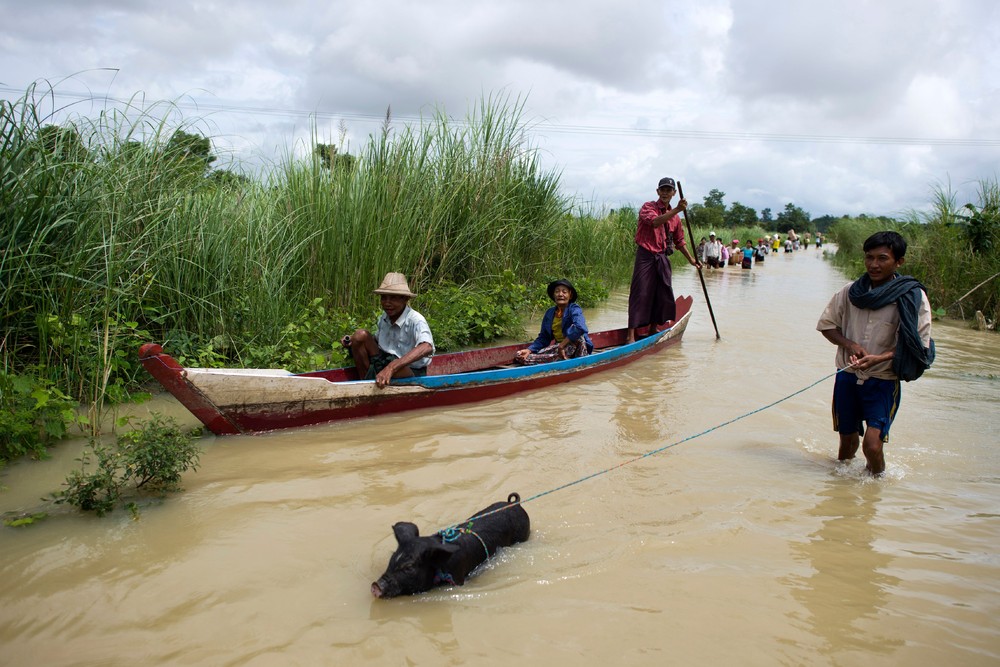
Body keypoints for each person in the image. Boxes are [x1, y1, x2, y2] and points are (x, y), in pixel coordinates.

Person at [816, 231, 935, 476]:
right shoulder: (850, 292)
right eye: (869, 258)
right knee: (846, 443)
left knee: (872, 445)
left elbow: (919, 345)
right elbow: (827, 326)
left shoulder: (913, 298)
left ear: (899, 262)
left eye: (882, 258)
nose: (874, 265)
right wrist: (849, 344)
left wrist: (879, 358)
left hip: (883, 380)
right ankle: (842, 491)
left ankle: (876, 486)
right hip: (847, 377)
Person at [626, 177, 701, 343]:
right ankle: (630, 336)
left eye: (669, 190)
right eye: (663, 190)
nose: (666, 193)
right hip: (645, 255)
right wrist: (676, 210)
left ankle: (653, 329)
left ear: (674, 193)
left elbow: (680, 241)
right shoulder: (649, 207)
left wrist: (692, 260)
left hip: (662, 257)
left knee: (661, 294)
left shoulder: (676, 219)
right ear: (658, 191)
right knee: (640, 293)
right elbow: (654, 222)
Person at [342, 272, 435, 388]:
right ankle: (365, 383)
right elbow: (377, 341)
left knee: (396, 369)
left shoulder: (415, 320)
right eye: (384, 298)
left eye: (393, 298)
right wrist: (352, 340)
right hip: (385, 361)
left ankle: (378, 381)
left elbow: (427, 347)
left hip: (409, 370)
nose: (387, 303)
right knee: (360, 336)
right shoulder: (384, 318)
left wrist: (392, 367)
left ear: (404, 299)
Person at [515, 279, 593, 364]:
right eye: (557, 292)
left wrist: (562, 345)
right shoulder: (550, 313)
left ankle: (571, 360)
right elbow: (544, 337)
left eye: (564, 292)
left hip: (576, 347)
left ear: (570, 295)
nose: (560, 294)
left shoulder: (574, 309)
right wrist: (529, 350)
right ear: (553, 295)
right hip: (559, 347)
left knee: (578, 336)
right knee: (521, 357)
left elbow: (580, 327)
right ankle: (562, 359)